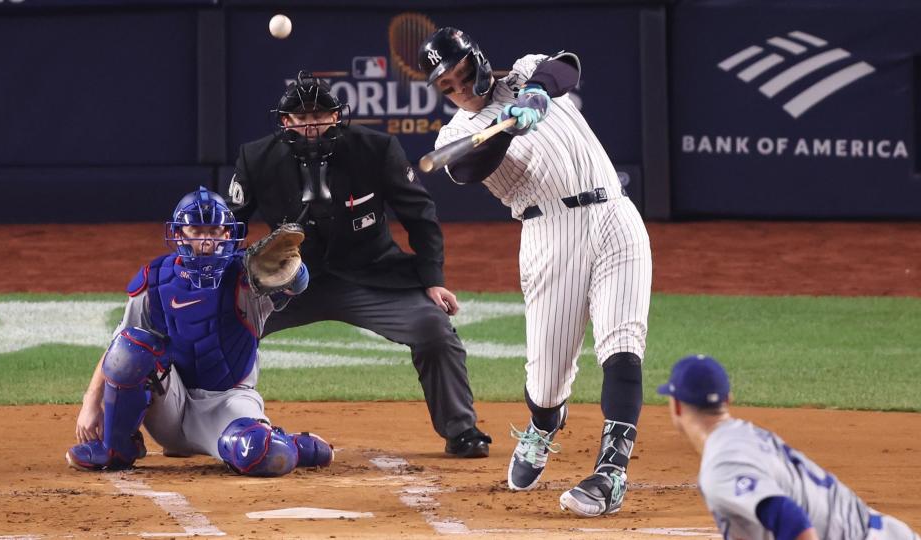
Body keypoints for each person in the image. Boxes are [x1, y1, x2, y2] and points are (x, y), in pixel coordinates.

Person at [419, 27, 652, 516]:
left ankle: (611, 472)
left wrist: (537, 95)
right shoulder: (455, 134)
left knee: (623, 345)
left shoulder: (525, 71)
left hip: (615, 213)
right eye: (448, 84)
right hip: (549, 236)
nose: (460, 87)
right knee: (546, 383)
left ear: (478, 59)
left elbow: (565, 64)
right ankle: (544, 425)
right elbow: (468, 169)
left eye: (463, 73)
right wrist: (508, 128)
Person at [226, 71, 491, 458]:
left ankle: (461, 430)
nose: (312, 124)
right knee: (223, 326)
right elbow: (232, 224)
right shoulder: (257, 157)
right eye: (302, 118)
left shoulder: (375, 148)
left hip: (369, 274)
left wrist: (433, 280)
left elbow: (419, 214)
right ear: (286, 122)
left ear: (337, 116)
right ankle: (198, 426)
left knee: (432, 328)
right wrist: (226, 282)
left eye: (321, 114)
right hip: (290, 281)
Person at [67, 187, 333, 476]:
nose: (206, 240)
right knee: (131, 347)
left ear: (228, 234)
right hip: (171, 404)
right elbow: (118, 347)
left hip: (228, 403)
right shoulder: (155, 279)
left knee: (263, 457)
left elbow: (296, 284)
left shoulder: (248, 277)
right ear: (180, 234)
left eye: (215, 231)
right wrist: (91, 403)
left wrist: (297, 272)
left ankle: (290, 443)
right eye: (196, 230)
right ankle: (116, 448)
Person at [658, 354, 920, 540]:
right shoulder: (747, 436)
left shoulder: (722, 465)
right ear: (728, 399)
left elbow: (794, 524)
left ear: (677, 405)